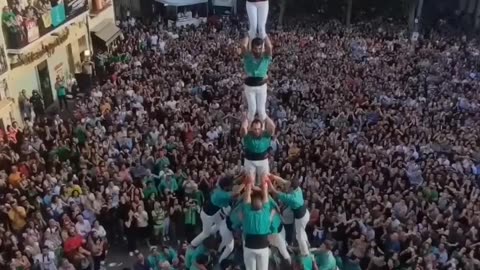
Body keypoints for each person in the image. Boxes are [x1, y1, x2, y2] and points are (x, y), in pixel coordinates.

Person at [190, 176, 241, 247]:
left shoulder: (220, 188)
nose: (231, 187)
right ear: (225, 187)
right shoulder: (220, 194)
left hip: (214, 212)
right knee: (205, 233)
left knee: (219, 225)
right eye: (229, 186)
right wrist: (246, 183)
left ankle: (211, 234)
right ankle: (192, 244)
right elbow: (236, 193)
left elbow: (233, 182)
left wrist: (242, 177)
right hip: (207, 216)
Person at [269, 174, 310, 256]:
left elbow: (275, 192)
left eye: (289, 186)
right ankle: (307, 244)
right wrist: (273, 176)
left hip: (301, 218)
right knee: (301, 232)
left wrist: (268, 183)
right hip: (306, 213)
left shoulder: (291, 198)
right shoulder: (298, 188)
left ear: (291, 188)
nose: (287, 186)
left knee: (299, 236)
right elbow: (284, 181)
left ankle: (305, 254)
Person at [239, 35, 273, 123]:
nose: (257, 51)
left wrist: (264, 35)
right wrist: (248, 34)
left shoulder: (266, 57)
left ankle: (262, 129)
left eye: (259, 48)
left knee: (262, 112)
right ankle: (249, 128)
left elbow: (269, 46)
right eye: (255, 48)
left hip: (261, 86)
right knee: (252, 110)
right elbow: (243, 46)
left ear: (262, 48)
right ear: (252, 48)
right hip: (250, 87)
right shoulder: (248, 57)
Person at [242, 181, 272, 270]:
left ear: (251, 206)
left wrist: (249, 183)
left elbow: (247, 196)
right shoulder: (266, 212)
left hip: (249, 247)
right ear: (262, 206)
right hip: (263, 247)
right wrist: (264, 183)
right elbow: (266, 194)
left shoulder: (247, 213)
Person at [240, 116, 275, 184]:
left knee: (263, 181)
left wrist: (265, 116)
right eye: (255, 129)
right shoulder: (248, 136)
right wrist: (247, 118)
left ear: (261, 128)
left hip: (263, 160)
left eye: (259, 129)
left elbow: (272, 127)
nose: (257, 131)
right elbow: (243, 129)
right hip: (249, 160)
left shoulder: (266, 135)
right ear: (251, 128)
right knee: (250, 182)